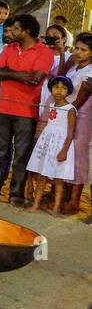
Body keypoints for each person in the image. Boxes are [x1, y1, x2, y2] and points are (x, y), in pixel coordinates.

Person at [0, 13, 54, 205]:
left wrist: (9, 74)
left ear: (27, 31)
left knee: (21, 155)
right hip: (3, 107)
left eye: (15, 29)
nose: (11, 32)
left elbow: (35, 78)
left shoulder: (43, 52)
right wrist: (19, 75)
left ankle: (16, 193)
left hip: (26, 111)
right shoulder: (10, 48)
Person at [25, 75, 76, 212]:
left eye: (63, 88)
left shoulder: (70, 109)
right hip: (48, 144)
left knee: (58, 179)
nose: (59, 91)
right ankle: (36, 204)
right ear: (51, 89)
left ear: (69, 91)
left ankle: (56, 208)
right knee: (41, 175)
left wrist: (64, 151)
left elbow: (71, 133)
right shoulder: (52, 105)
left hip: (60, 146)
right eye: (56, 87)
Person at [63, 32, 92, 216]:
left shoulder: (90, 71)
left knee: (79, 159)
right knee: (66, 155)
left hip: (82, 117)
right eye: (77, 48)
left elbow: (83, 94)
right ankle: (63, 197)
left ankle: (75, 200)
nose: (79, 52)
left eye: (84, 50)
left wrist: (69, 109)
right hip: (67, 114)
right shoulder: (74, 68)